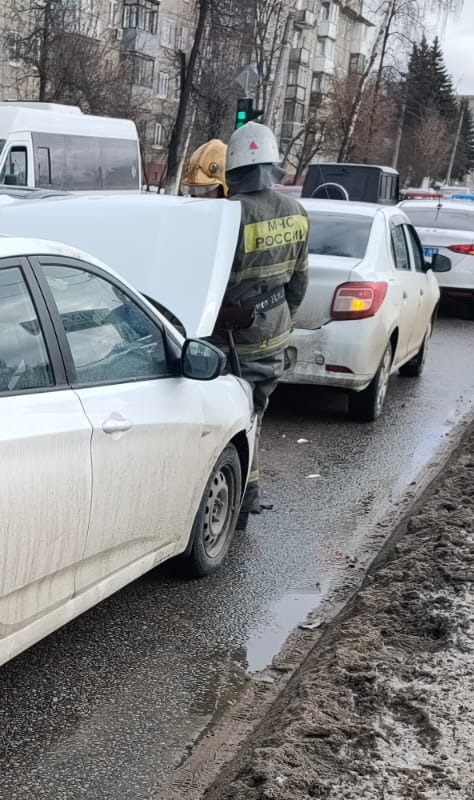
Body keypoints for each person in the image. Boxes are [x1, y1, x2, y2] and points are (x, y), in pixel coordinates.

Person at [212, 122, 309, 523]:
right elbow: (299, 281)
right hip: (274, 332)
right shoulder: (297, 213)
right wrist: (281, 321)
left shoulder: (228, 216)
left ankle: (236, 494)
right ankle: (247, 491)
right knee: (254, 414)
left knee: (228, 419)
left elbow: (211, 283)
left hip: (233, 338)